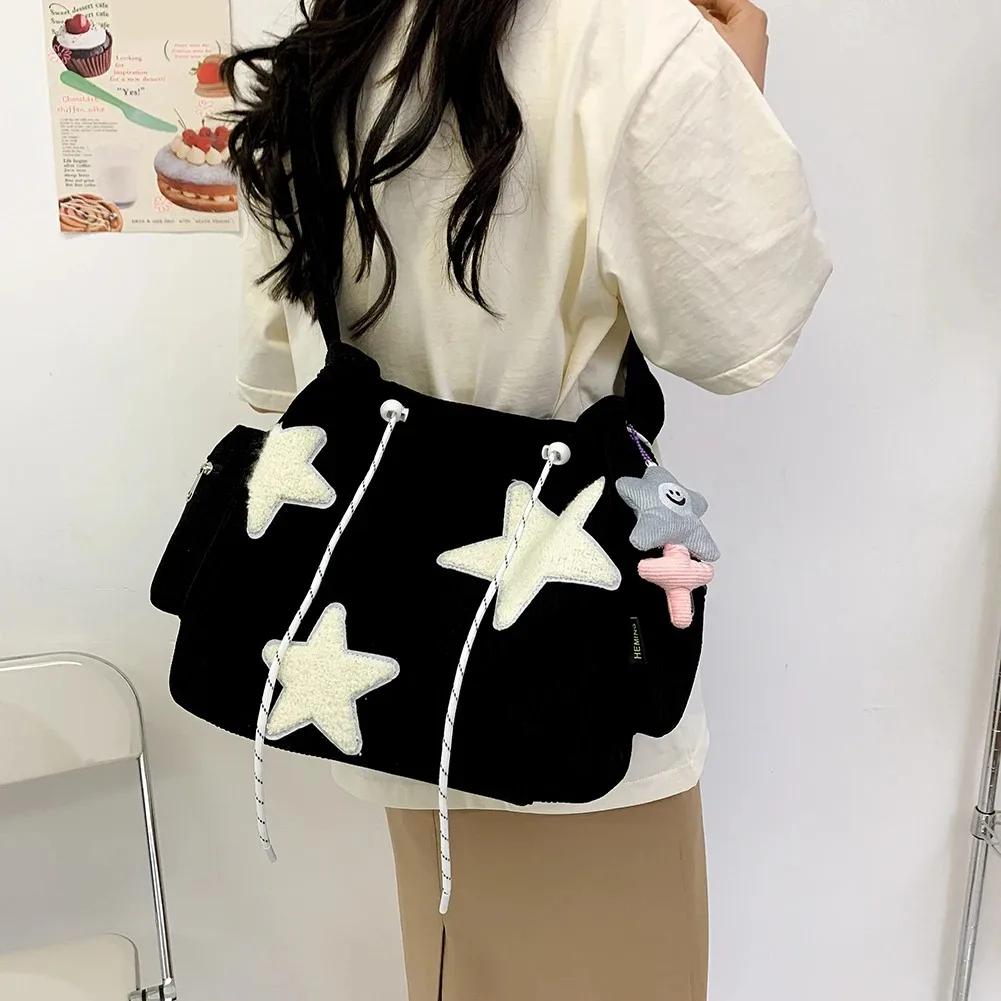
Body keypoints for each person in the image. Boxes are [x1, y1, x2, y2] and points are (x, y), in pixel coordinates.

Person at [230, 0, 831, 997]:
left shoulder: (330, 43)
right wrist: (732, 89)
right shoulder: (634, 38)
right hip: (571, 671)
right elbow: (739, 336)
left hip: (383, 669)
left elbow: (273, 372)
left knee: (459, 970)